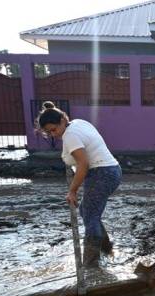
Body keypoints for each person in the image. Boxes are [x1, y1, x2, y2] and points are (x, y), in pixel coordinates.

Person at [36, 101, 121, 268]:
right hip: (111, 170)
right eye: (48, 132)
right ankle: (106, 249)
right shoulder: (78, 123)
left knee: (90, 216)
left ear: (62, 120)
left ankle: (91, 266)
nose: (53, 134)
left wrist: (72, 191)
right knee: (87, 211)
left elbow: (83, 164)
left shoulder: (70, 136)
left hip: (101, 174)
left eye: (54, 129)